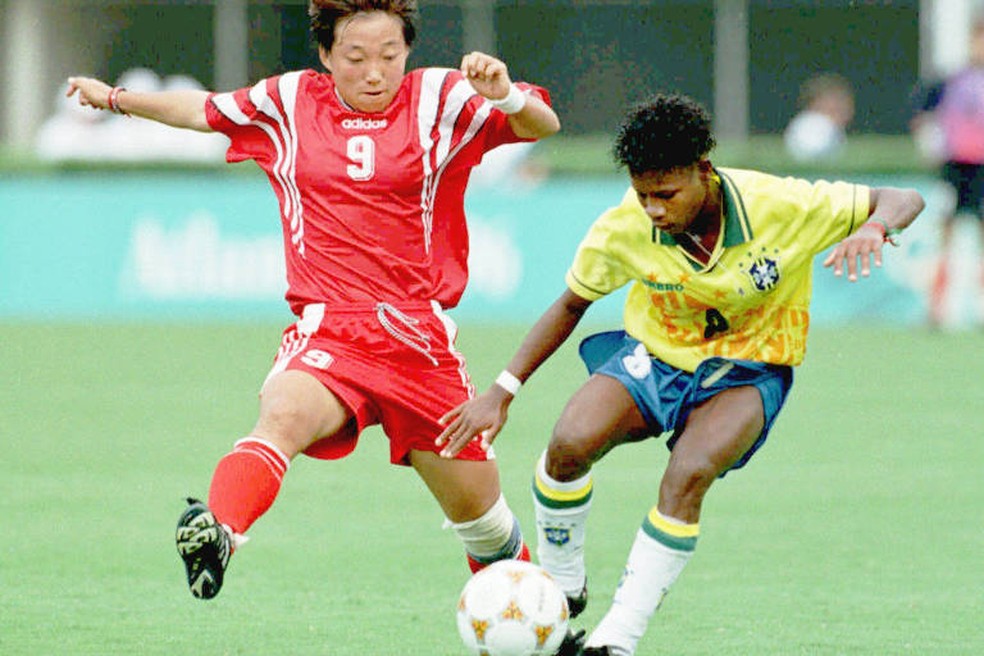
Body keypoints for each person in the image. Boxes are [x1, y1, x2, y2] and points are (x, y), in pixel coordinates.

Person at [66, 0, 562, 613]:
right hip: (331, 329)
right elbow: (202, 109)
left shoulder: (444, 97)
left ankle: (548, 626)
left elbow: (543, 125)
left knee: (484, 523)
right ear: (326, 56)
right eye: (355, 58)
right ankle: (219, 533)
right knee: (280, 417)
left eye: (389, 56)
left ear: (408, 51)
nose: (375, 72)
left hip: (419, 344)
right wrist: (115, 99)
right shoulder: (292, 101)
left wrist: (506, 93)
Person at [436, 93, 925, 656]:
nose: (655, 211)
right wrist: (503, 390)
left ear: (705, 173)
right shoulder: (626, 225)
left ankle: (616, 641)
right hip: (657, 358)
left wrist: (875, 228)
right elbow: (571, 304)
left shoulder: (778, 204)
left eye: (666, 194)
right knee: (567, 444)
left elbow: (902, 195)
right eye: (644, 196)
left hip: (749, 368)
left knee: (688, 473)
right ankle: (563, 588)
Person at [911, 18, 984, 328]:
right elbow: (922, 115)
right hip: (954, 168)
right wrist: (930, 146)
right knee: (945, 237)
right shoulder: (949, 81)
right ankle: (937, 308)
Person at [783, 72, 854, 162]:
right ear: (817, 102)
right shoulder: (816, 124)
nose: (845, 108)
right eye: (837, 102)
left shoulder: (831, 128)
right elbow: (811, 154)